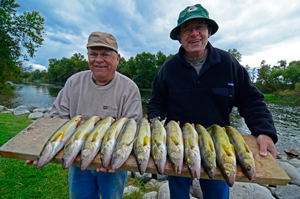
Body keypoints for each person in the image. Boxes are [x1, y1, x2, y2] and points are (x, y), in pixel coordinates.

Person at [147, 4, 278, 199]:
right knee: (177, 193)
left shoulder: (228, 63)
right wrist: (154, 124)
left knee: (217, 194)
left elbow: (251, 101)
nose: (194, 34)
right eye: (186, 29)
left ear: (209, 32)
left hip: (218, 144)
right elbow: (156, 103)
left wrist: (264, 132)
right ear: (179, 37)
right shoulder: (168, 68)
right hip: (178, 144)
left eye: (199, 27)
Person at [26, 31, 143, 199]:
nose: (98, 60)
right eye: (93, 54)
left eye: (105, 54)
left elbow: (131, 130)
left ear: (117, 59)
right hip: (77, 159)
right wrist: (41, 150)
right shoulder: (73, 82)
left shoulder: (129, 88)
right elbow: (57, 120)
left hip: (111, 164)